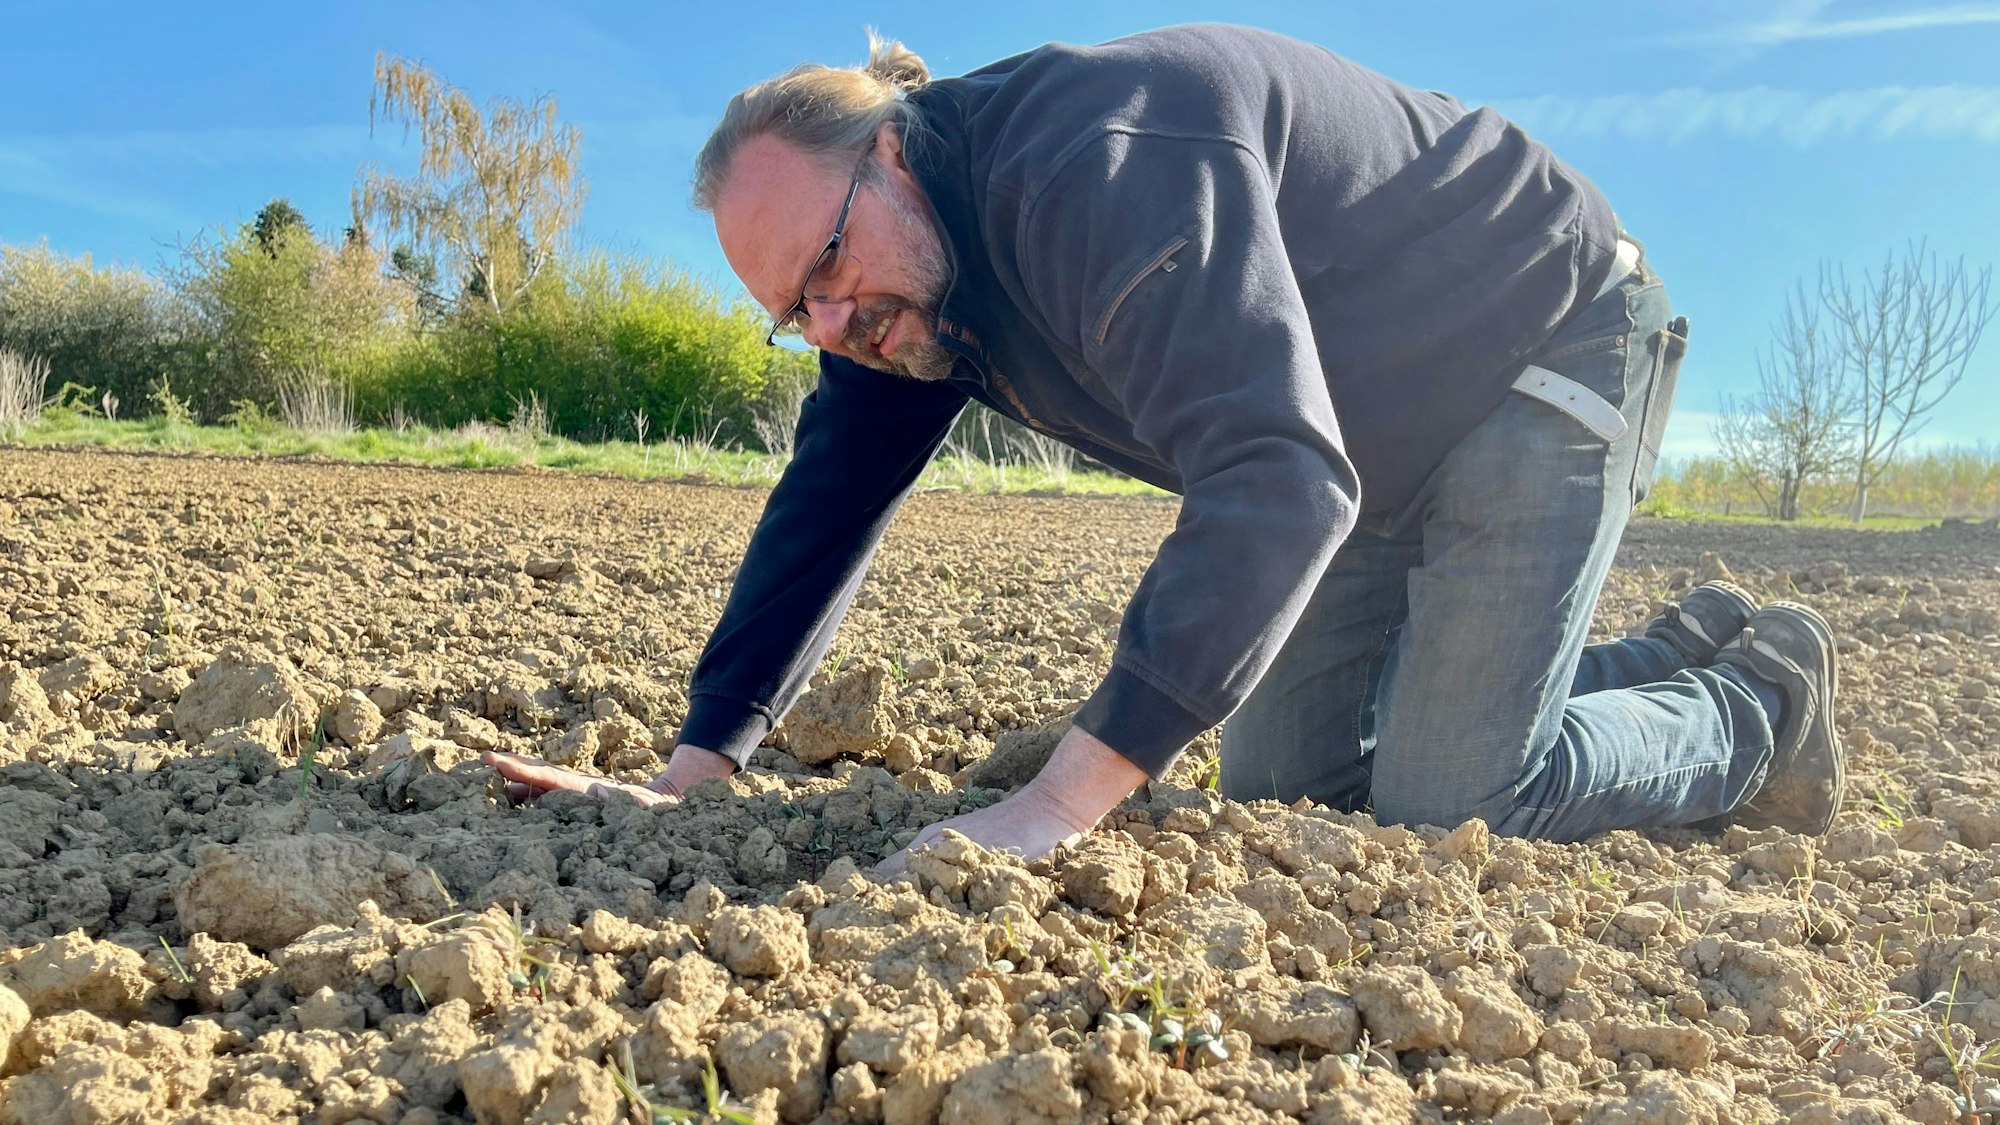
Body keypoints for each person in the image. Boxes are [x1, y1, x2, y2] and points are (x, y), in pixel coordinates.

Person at [485, 24, 1846, 868]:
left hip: (1539, 341)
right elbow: (829, 498)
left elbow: (1275, 478)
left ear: (893, 151)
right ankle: (1674, 649)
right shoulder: (909, 294)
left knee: (1455, 793)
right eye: (797, 312)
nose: (834, 320)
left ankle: (1759, 695)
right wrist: (697, 768)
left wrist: (1059, 802)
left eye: (830, 266)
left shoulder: (1090, 168)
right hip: (1362, 440)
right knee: (1291, 780)